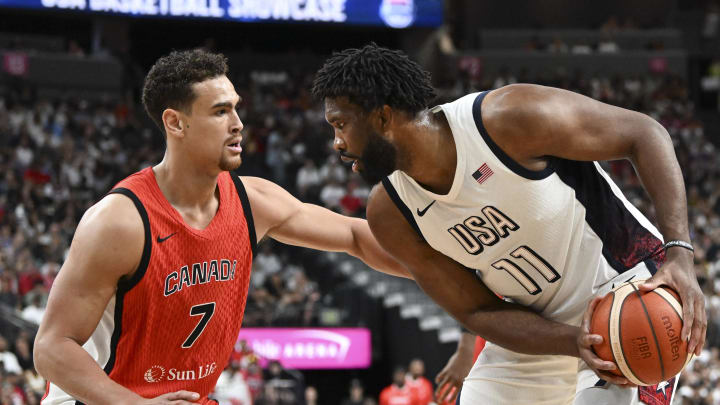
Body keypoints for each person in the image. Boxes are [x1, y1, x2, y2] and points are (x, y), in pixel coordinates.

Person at [311, 43, 706, 404]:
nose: (337, 143)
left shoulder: (506, 119)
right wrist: (571, 340)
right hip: (538, 330)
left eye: (341, 124)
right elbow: (477, 311)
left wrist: (681, 254)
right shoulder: (390, 213)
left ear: (382, 117)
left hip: (626, 293)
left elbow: (645, 133)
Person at [34, 49, 409, 405]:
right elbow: (51, 348)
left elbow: (356, 237)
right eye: (220, 111)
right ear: (175, 122)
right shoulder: (120, 222)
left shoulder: (253, 202)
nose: (238, 124)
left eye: (236, 109)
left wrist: (449, 269)